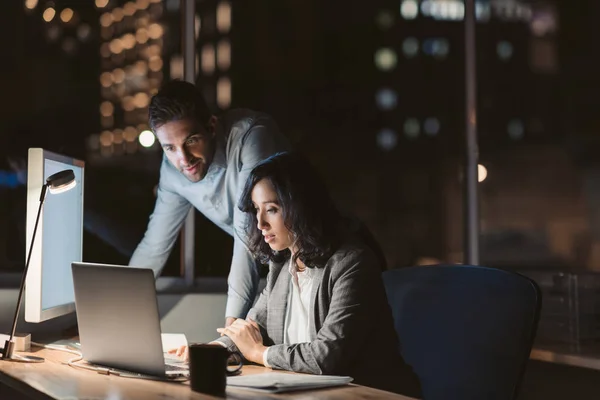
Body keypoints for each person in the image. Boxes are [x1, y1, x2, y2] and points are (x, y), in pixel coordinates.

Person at [170, 152, 421, 396]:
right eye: (256, 209)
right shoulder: (282, 267)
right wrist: (208, 350)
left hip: (373, 394)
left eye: (272, 209)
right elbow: (251, 329)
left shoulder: (352, 263)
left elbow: (327, 356)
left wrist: (259, 353)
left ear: (300, 206)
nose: (260, 223)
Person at [129, 80, 289, 326]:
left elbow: (245, 233)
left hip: (318, 254)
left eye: (191, 140)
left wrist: (231, 324)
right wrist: (113, 312)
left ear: (212, 126)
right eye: (169, 148)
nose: (183, 159)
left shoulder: (253, 137)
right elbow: (153, 247)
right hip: (274, 262)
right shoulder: (173, 170)